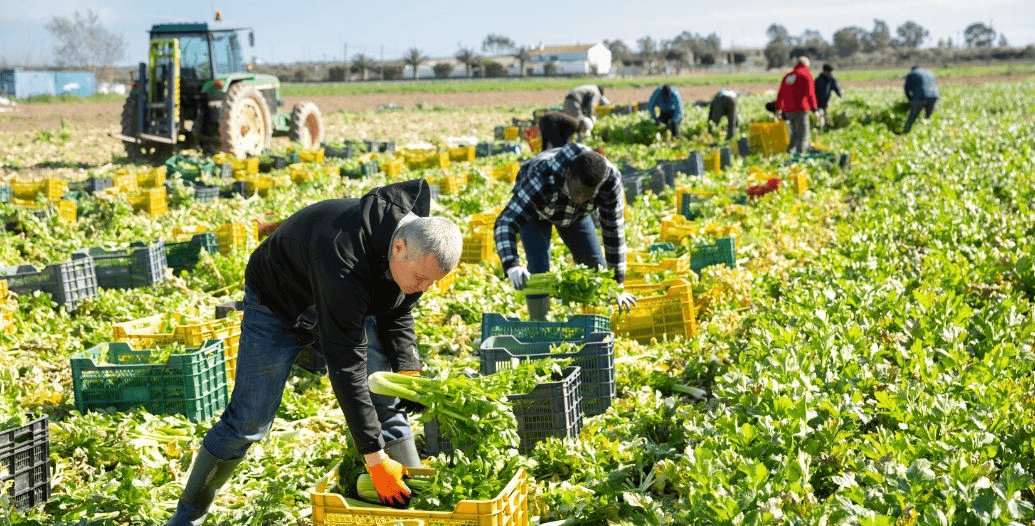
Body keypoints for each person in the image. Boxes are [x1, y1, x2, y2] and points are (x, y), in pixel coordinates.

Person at [163, 179, 463, 524]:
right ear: (398, 247)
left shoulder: (415, 253)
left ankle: (413, 504)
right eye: (422, 278)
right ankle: (187, 516)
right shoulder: (344, 257)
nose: (424, 288)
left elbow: (398, 308)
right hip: (277, 306)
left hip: (344, 302)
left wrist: (408, 367)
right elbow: (347, 367)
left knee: (385, 394)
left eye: (432, 281)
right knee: (248, 421)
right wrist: (375, 460)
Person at [493, 143, 636, 321]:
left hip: (576, 215)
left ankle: (596, 322)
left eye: (587, 195)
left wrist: (616, 284)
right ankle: (540, 325)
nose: (580, 198)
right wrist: (511, 263)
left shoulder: (609, 182)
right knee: (538, 270)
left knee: (596, 267)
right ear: (568, 174)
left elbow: (614, 231)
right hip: (537, 211)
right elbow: (506, 222)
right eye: (578, 192)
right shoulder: (542, 177)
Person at [775, 56, 818, 154]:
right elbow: (810, 94)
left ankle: (791, 151)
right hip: (801, 108)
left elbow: (781, 93)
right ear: (806, 65)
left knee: (794, 132)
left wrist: (778, 109)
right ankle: (800, 153)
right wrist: (814, 109)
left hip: (788, 109)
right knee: (803, 133)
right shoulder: (806, 75)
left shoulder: (788, 76)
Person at [902, 65, 939, 134]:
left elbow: (906, 89)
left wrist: (910, 100)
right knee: (929, 117)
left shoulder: (912, 73)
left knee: (912, 116)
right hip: (934, 96)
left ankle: (905, 132)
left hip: (921, 96)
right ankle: (930, 133)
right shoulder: (929, 72)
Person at [814, 64, 843, 130]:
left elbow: (837, 89)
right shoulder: (818, 80)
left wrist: (840, 96)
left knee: (825, 118)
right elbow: (813, 92)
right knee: (820, 119)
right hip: (818, 104)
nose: (830, 73)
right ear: (824, 72)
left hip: (826, 103)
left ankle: (825, 129)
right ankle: (820, 130)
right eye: (829, 72)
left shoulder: (832, 80)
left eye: (830, 72)